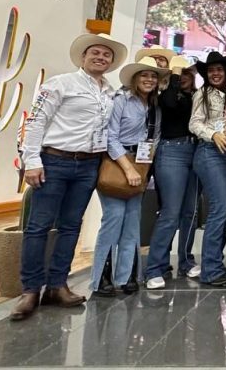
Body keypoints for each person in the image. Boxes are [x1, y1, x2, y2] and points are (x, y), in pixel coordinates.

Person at [11, 33, 127, 321]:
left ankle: (57, 284)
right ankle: (30, 290)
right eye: (95, 52)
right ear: (83, 56)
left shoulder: (110, 92)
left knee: (71, 226)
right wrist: (32, 160)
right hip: (54, 161)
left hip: (88, 165)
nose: (101, 57)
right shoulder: (60, 83)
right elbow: (36, 121)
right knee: (38, 226)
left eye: (106, 55)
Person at [91, 56, 167, 297]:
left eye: (153, 76)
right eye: (144, 75)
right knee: (114, 217)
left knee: (133, 220)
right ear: (135, 78)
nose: (149, 79)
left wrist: (143, 169)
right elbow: (110, 136)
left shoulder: (155, 107)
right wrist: (128, 168)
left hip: (140, 164)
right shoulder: (121, 100)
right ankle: (101, 276)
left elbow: (154, 139)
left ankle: (126, 275)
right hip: (116, 163)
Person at [145, 56, 201, 289]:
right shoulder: (165, 95)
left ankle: (186, 261)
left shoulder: (196, 97)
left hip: (195, 151)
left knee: (190, 212)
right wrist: (175, 75)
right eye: (181, 73)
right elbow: (169, 102)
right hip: (171, 151)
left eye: (188, 73)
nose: (184, 77)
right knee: (170, 212)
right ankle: (154, 267)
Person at [189, 51, 226, 287]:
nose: (215, 74)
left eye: (219, 70)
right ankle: (210, 269)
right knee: (220, 208)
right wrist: (214, 134)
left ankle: (215, 263)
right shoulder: (202, 94)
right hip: (209, 152)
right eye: (211, 71)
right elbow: (194, 123)